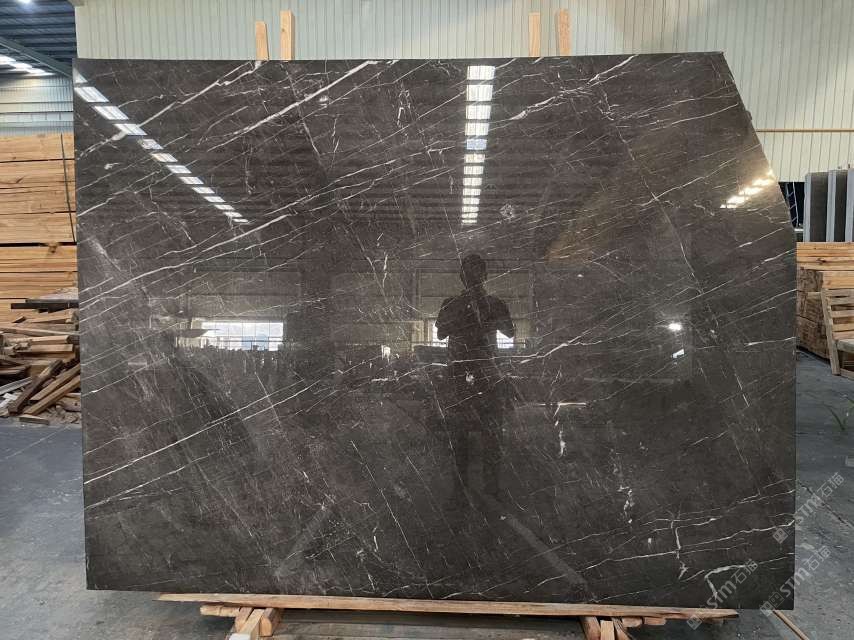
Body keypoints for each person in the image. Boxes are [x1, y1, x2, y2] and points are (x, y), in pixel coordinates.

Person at [435, 253, 515, 502]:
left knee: (483, 434)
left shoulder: (490, 303)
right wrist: (468, 313)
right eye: (469, 274)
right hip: (469, 374)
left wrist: (483, 313)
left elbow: (509, 332)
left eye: (474, 273)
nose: (472, 278)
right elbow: (441, 333)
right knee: (468, 434)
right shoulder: (456, 303)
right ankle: (473, 489)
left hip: (477, 374)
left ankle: (479, 489)